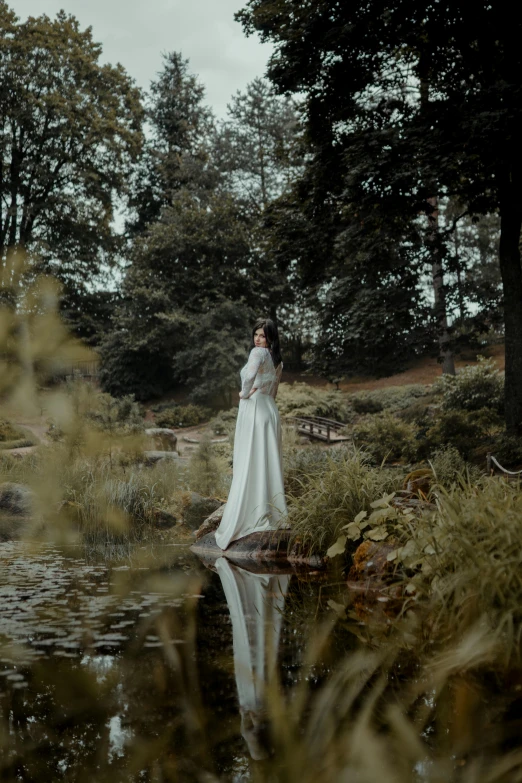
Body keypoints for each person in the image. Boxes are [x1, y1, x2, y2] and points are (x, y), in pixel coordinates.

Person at [215, 318, 288, 550]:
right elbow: (274, 389)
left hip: (255, 409)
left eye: (263, 335)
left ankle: (252, 513)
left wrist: (244, 394)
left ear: (270, 338)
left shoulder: (257, 354)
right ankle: (272, 512)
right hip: (269, 410)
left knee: (251, 460)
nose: (258, 339)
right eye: (256, 335)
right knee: (267, 461)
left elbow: (248, 378)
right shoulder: (278, 360)